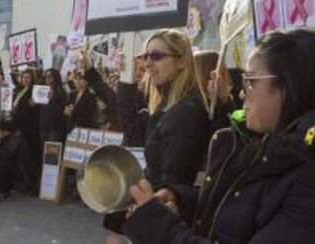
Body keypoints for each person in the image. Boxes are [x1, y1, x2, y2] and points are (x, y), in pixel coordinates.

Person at [123, 29, 315, 244]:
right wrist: (182, 198)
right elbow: (237, 203)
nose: (242, 93)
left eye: (250, 81)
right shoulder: (254, 143)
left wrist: (159, 229)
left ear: (289, 86)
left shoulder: (306, 178)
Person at [105, 29, 212, 233]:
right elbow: (132, 128)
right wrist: (126, 79)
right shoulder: (167, 106)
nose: (147, 63)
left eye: (156, 56)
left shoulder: (185, 112)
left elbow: (173, 185)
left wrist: (146, 212)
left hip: (166, 223)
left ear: (181, 62)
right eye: (146, 56)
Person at [0, 114, 34, 202]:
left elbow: (8, 154)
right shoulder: (8, 136)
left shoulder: (17, 137)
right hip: (15, 166)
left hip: (22, 171)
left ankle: (1, 192)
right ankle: (4, 189)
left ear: (5, 131)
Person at [12, 69, 41, 194]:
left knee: (29, 158)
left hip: (29, 129)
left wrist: (35, 106)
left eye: (28, 77)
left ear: (33, 78)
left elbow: (40, 110)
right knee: (21, 158)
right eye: (23, 77)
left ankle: (34, 186)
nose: (25, 79)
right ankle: (25, 183)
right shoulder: (19, 90)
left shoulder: (35, 91)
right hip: (18, 127)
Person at [40, 68, 67, 145]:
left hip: (55, 128)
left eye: (49, 77)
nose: (47, 79)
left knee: (51, 153)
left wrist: (52, 100)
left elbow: (61, 111)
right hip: (43, 126)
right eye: (46, 77)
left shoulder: (61, 92)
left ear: (55, 78)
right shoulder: (43, 90)